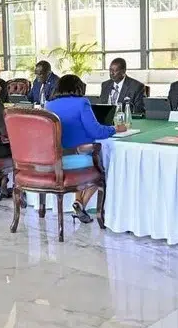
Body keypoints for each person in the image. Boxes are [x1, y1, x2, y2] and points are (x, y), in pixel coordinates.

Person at [46, 74, 127, 224]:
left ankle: (78, 203)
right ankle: (81, 203)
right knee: (101, 172)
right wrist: (115, 129)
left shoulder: (49, 104)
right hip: (77, 157)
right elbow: (96, 132)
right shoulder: (82, 103)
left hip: (56, 158)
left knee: (85, 167)